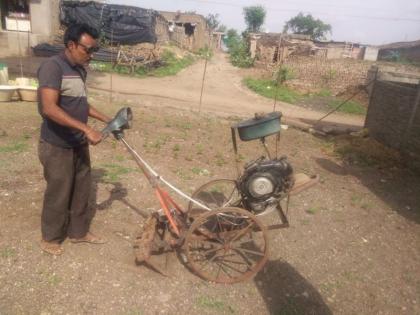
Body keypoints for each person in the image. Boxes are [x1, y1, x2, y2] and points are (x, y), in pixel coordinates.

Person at [37, 23, 111, 255]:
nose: (91, 54)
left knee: (82, 189)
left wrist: (106, 119)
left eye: (93, 50)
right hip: (57, 144)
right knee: (59, 191)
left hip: (77, 142)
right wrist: (87, 129)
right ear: (71, 45)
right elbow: (49, 108)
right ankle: (50, 238)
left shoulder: (79, 69)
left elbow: (80, 103)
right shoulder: (53, 67)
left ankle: (78, 232)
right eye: (87, 49)